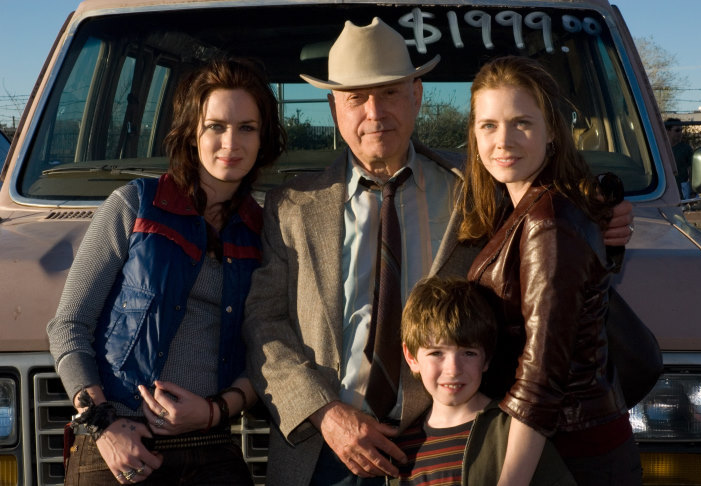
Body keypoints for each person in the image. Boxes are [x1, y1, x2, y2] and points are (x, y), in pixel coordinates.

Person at [243, 18, 634, 486]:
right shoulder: (291, 207)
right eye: (355, 98)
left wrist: (601, 227)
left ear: (417, 95)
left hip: (450, 449)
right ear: (333, 108)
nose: (375, 112)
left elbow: (546, 257)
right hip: (327, 454)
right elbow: (264, 323)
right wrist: (325, 414)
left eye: (389, 92)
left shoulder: (481, 189)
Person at [47, 57, 285, 485]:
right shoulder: (134, 206)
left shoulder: (264, 233)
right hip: (119, 442)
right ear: (193, 134)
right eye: (216, 126)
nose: (231, 142)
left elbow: (266, 356)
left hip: (210, 447)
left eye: (247, 127)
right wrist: (103, 426)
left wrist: (215, 411)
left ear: (263, 138)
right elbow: (68, 325)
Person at [461, 56, 642, 485]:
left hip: (569, 455)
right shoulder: (524, 206)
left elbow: (541, 377)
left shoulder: (548, 222)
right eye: (488, 125)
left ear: (552, 133)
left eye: (521, 122)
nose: (502, 141)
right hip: (564, 442)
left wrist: (510, 481)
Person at [394, 276, 575, 486]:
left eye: (468, 353)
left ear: (487, 358)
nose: (453, 369)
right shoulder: (401, 448)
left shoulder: (515, 431)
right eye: (436, 353)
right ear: (411, 357)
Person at [665, 117, 695, 199]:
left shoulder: (686, 149)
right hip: (663, 191)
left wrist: (692, 191)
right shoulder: (660, 149)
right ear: (668, 131)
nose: (680, 133)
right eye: (677, 130)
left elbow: (692, 170)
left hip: (681, 191)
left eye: (681, 130)